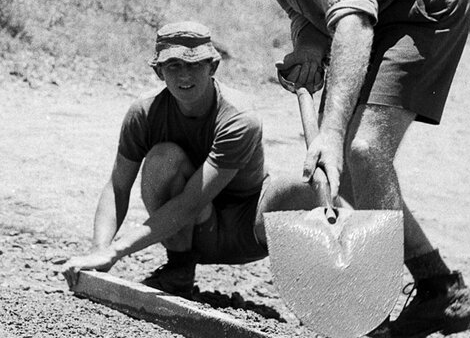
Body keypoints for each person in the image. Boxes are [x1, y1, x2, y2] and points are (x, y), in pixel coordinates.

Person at [171, 0, 470, 338]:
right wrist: (308, 50)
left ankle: (379, 306)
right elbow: (308, 13)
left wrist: (331, 133)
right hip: (379, 5)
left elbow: (353, 20)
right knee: (346, 167)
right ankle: (439, 288)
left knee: (360, 149)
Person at [62, 21, 321, 294]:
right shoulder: (144, 113)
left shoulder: (239, 119)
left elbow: (190, 203)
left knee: (300, 189)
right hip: (191, 233)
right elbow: (118, 187)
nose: (185, 75)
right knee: (163, 159)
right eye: (174, 65)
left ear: (213, 67)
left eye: (195, 64)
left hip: (245, 232)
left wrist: (115, 251)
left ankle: (314, 290)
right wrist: (99, 251)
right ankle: (179, 270)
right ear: (159, 71)